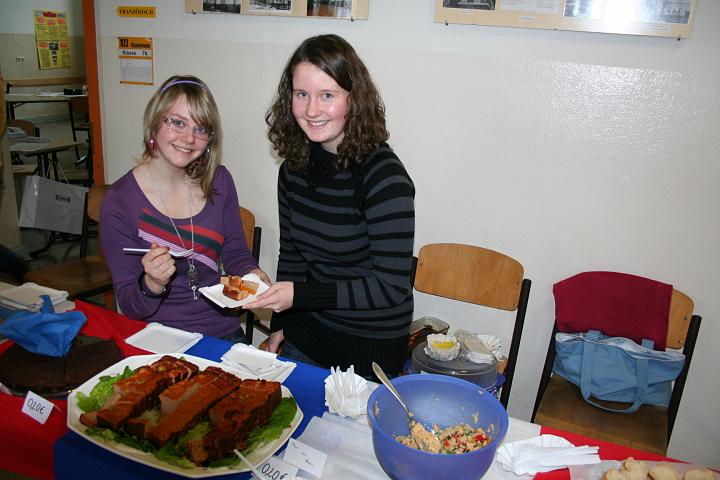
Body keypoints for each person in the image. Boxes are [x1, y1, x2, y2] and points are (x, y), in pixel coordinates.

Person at [245, 34, 415, 378]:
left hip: (370, 346)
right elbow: (291, 253)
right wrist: (281, 322)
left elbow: (390, 286)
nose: (312, 110)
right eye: (301, 94)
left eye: (327, 95)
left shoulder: (384, 176)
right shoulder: (292, 169)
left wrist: (299, 295)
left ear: (354, 100)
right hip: (307, 330)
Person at [101, 75, 269, 341]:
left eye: (201, 129)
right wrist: (153, 284)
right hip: (158, 337)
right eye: (178, 122)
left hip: (221, 332)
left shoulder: (219, 181)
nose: (189, 138)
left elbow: (235, 252)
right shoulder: (120, 201)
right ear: (155, 122)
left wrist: (252, 274)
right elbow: (131, 307)